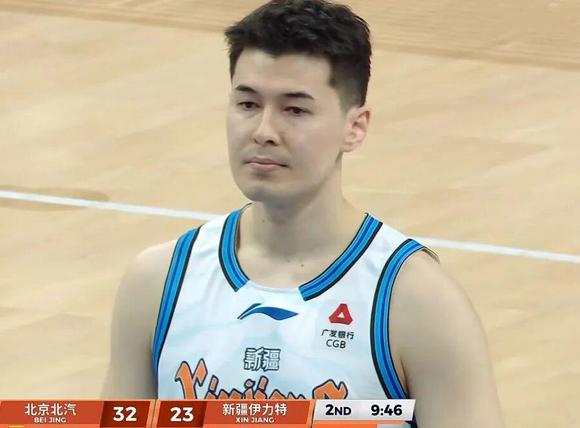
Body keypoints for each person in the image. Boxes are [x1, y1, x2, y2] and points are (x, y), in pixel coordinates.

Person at [102, 1, 504, 426]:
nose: (263, 132)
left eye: (294, 110)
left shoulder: (418, 302)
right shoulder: (159, 281)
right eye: (248, 104)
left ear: (355, 127)